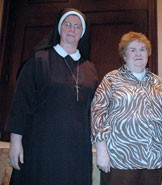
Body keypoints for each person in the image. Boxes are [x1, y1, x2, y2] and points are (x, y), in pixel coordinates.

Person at [5, 8, 98, 185]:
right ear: (59, 28)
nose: (72, 29)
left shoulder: (90, 68)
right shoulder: (39, 59)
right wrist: (15, 142)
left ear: (82, 33)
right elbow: (21, 103)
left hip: (76, 148)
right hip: (41, 144)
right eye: (67, 24)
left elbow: (96, 109)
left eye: (77, 26)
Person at [91, 31, 162, 185]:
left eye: (142, 49)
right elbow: (97, 113)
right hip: (120, 160)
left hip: (153, 161)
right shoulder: (111, 79)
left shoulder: (158, 82)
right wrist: (101, 152)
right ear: (124, 55)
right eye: (132, 50)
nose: (138, 53)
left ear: (148, 53)